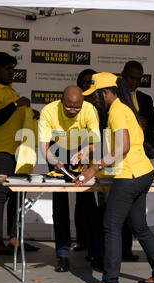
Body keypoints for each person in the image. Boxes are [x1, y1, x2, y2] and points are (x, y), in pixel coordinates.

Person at [76, 73, 154, 283]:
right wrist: (88, 150)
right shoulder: (124, 109)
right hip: (144, 173)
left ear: (106, 92)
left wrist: (94, 167)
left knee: (111, 226)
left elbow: (123, 147)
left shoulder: (117, 111)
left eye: (95, 96)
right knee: (139, 226)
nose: (93, 100)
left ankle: (110, 282)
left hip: (130, 176)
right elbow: (117, 144)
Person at [39, 85, 104, 272]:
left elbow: (96, 142)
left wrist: (88, 159)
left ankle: (97, 253)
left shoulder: (89, 109)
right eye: (69, 107)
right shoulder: (48, 111)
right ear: (61, 101)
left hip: (81, 147)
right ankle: (63, 255)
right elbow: (43, 146)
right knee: (60, 204)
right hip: (56, 148)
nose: (73, 111)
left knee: (88, 203)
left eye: (77, 107)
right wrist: (54, 162)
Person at [0, 52, 40, 254]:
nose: (12, 72)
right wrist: (15, 105)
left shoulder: (10, 90)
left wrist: (29, 113)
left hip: (19, 153)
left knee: (17, 195)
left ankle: (14, 238)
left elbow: (15, 116)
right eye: (8, 69)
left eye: (13, 69)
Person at [120, 60, 154, 261]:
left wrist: (145, 124)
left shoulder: (146, 99)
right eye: (131, 78)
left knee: (135, 210)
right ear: (122, 75)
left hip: (142, 157)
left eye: (139, 79)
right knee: (118, 209)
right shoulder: (116, 97)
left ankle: (126, 250)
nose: (135, 82)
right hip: (120, 158)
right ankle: (119, 249)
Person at [71, 69, 98, 253]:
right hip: (80, 154)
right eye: (84, 82)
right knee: (83, 198)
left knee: (102, 202)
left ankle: (98, 243)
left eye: (91, 82)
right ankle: (84, 240)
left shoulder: (102, 105)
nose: (88, 86)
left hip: (103, 155)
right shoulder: (73, 106)